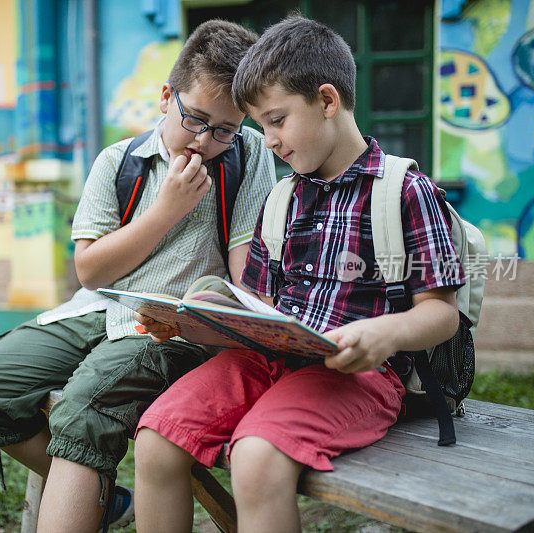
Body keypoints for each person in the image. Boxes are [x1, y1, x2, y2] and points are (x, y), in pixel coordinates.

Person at [133, 15, 466, 533]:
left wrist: (384, 331)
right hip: (267, 360)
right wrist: (193, 320)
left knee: (256, 457)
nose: (267, 141)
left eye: (277, 120)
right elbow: (260, 308)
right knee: (156, 438)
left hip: (358, 376)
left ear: (327, 102)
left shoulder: (402, 190)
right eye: (259, 127)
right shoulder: (281, 198)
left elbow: (442, 313)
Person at [0, 19, 276, 532]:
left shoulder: (247, 154)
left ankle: (81, 500)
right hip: (100, 308)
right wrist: (167, 209)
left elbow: (242, 273)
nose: (207, 140)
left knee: (86, 402)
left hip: (176, 326)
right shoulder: (117, 161)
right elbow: (90, 270)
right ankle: (103, 499)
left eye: (224, 129)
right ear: (167, 97)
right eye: (195, 119)